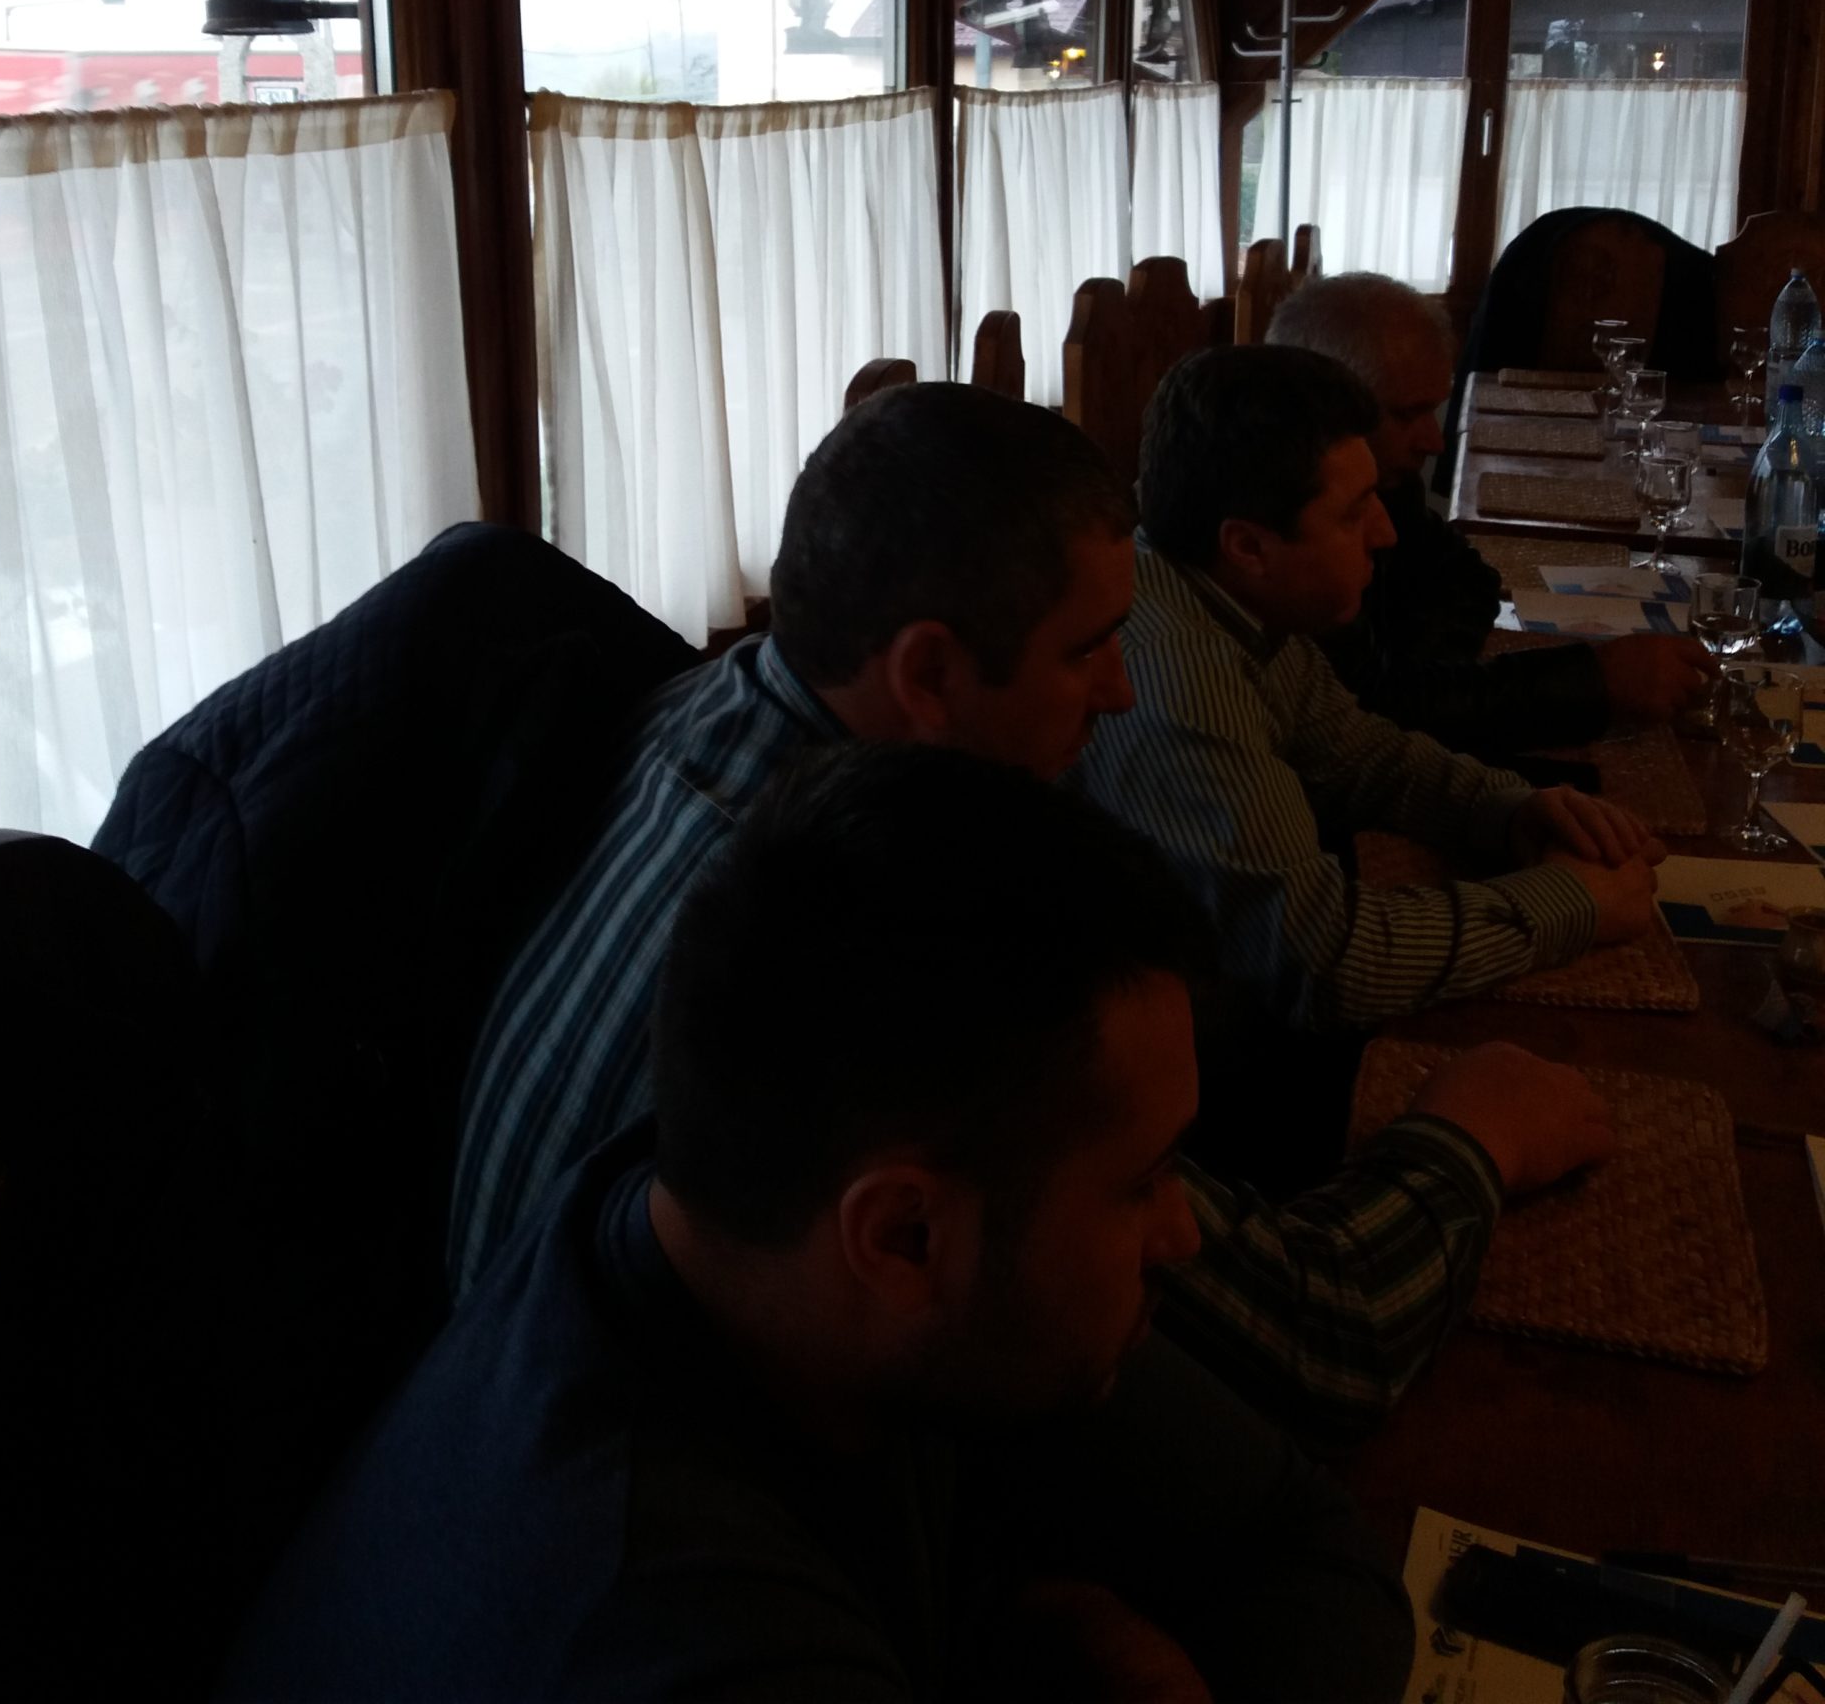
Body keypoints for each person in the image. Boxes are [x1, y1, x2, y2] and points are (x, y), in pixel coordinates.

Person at [453, 383, 1613, 1440]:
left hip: (503, 1379)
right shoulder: (890, 924)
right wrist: (1476, 1132)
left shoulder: (703, 707)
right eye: (1087, 650)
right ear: (928, 675)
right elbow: (1328, 1337)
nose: (1120, 690)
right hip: (660, 1471)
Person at [224, 748, 1422, 1704]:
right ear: (901, 1238)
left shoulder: (740, 1225)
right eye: (1144, 1181)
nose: (1184, 1233)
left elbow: (1305, 1544)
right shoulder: (669, 1627)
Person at [1078, 345, 1665, 1037]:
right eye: (1354, 514)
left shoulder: (1234, 602)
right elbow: (1325, 964)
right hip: (1178, 1047)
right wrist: (1571, 903)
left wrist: (1509, 808)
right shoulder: (1180, 676)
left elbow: (1357, 755)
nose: (1385, 533)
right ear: (1249, 547)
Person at [1266, 272, 1709, 755]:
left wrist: (1427, 675)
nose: (1433, 442)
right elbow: (1375, 713)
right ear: (1320, 403)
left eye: (1432, 410)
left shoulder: (1384, 481)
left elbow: (1468, 579)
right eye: (1407, 414)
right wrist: (1595, 681)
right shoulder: (1285, 528)